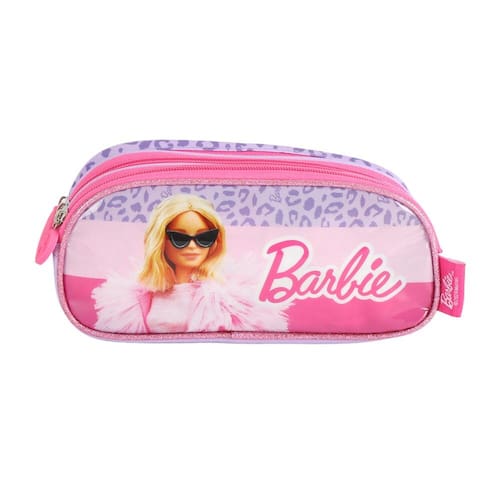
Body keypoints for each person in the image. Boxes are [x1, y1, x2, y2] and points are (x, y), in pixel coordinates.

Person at [92, 194, 289, 334]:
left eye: (204, 238)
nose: (193, 246)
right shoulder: (134, 301)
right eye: (180, 238)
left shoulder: (235, 301)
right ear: (160, 240)